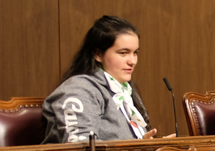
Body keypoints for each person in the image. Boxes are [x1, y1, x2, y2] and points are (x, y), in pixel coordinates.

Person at [43, 15, 164, 143]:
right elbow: (81, 148)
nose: (132, 61)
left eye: (135, 53)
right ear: (98, 54)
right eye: (123, 53)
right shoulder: (78, 90)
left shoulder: (124, 89)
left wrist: (147, 145)